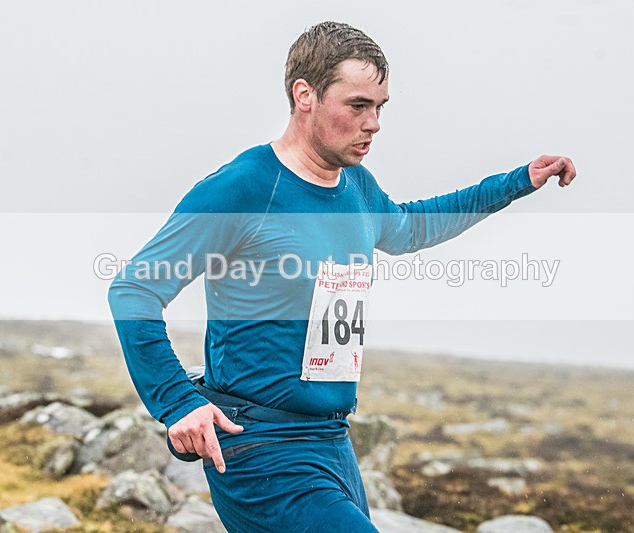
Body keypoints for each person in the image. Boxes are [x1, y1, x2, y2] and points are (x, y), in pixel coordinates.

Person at [109, 20, 576, 532]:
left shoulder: (356, 186)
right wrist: (178, 401)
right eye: (357, 106)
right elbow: (135, 289)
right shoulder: (243, 189)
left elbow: (410, 228)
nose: (373, 123)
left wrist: (515, 183)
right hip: (263, 451)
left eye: (379, 108)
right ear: (304, 95)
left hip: (332, 441)